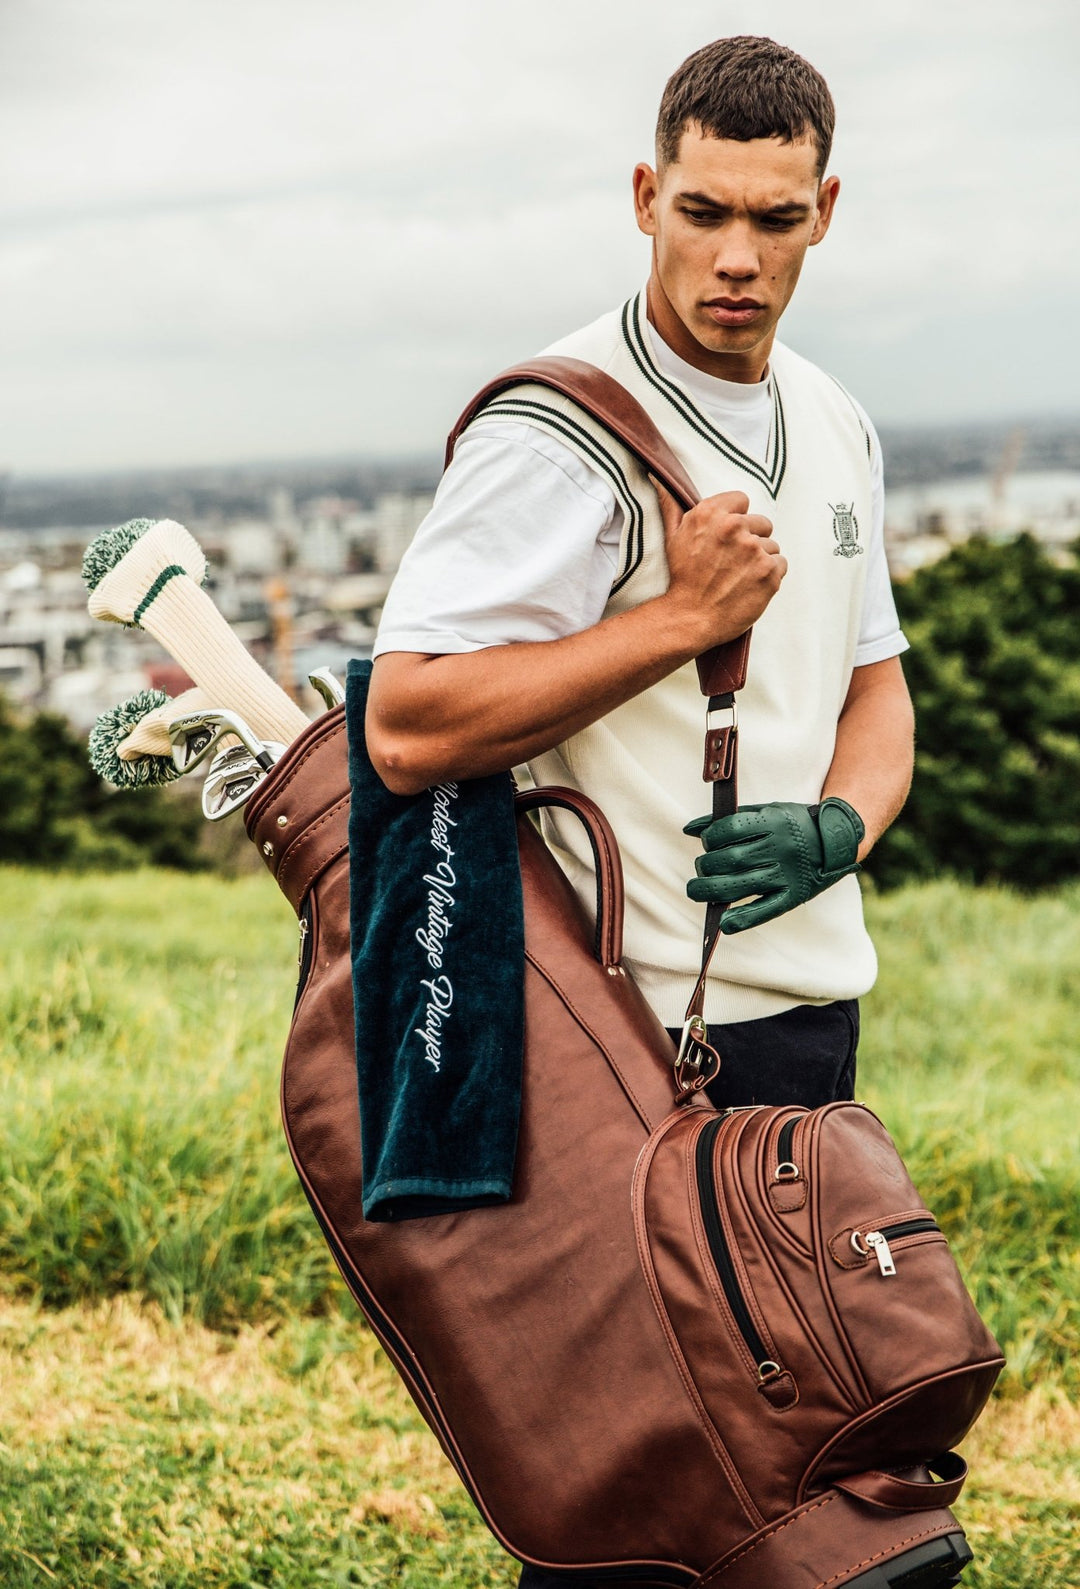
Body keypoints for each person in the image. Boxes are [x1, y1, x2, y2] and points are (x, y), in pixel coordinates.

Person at [367, 34, 915, 1585]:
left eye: (774, 217)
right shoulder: (561, 434)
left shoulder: (839, 418)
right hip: (621, 1043)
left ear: (825, 212)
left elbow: (878, 687)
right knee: (635, 1499)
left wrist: (840, 828)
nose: (735, 256)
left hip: (807, 1027)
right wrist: (675, 623)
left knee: (813, 1468)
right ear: (642, 196)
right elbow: (405, 722)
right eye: (700, 212)